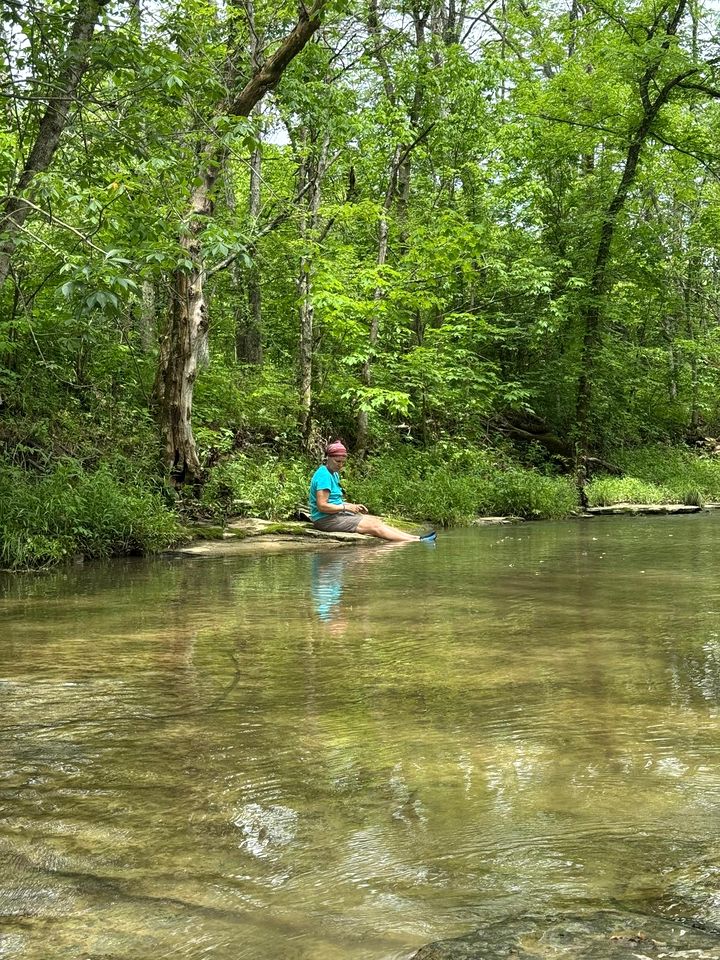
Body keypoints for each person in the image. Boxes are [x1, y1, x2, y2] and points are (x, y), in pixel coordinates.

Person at [309, 441, 436, 543]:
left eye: (343, 462)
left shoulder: (333, 473)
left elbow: (334, 500)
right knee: (374, 527)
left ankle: (416, 538)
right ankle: (417, 541)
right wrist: (345, 508)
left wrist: (353, 507)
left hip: (335, 516)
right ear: (328, 458)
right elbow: (322, 506)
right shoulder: (324, 475)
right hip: (325, 520)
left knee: (376, 521)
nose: (340, 465)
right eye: (337, 461)